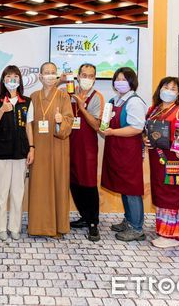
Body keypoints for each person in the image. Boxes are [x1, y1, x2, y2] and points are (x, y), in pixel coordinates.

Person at [143, 77, 179, 249]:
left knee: (175, 195)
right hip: (157, 159)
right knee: (161, 192)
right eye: (165, 87)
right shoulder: (154, 109)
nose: (168, 91)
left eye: (173, 88)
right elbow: (146, 130)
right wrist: (145, 139)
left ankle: (173, 234)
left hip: (176, 159)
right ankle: (163, 230)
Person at [0, 65, 35, 241]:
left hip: (21, 153)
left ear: (20, 80)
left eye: (15, 77)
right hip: (1, 153)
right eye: (8, 77)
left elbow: (29, 126)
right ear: (3, 80)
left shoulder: (27, 101)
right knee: (1, 193)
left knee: (17, 193)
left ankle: (14, 227)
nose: (12, 80)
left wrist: (32, 148)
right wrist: (2, 109)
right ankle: (0, 227)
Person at [100, 67, 147, 242]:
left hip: (129, 150)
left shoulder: (134, 102)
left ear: (132, 82)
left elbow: (136, 128)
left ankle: (137, 228)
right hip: (116, 149)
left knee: (131, 188)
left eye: (124, 79)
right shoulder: (115, 100)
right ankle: (128, 220)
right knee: (123, 187)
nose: (120, 82)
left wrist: (112, 132)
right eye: (117, 79)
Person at [28, 62, 73, 237]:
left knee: (58, 184)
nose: (49, 75)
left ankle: (57, 227)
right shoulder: (33, 96)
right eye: (46, 72)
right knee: (39, 187)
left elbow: (69, 123)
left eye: (53, 72)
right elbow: (28, 125)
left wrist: (61, 121)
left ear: (57, 76)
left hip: (57, 149)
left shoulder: (63, 97)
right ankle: (38, 226)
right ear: (40, 76)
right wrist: (30, 147)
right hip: (38, 148)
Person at [68, 63, 104, 242]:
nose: (87, 78)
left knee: (88, 183)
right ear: (78, 76)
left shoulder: (97, 97)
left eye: (90, 76)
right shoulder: (69, 93)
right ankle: (84, 216)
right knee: (74, 182)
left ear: (95, 79)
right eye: (84, 74)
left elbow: (97, 125)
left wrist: (82, 107)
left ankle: (93, 223)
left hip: (87, 147)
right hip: (69, 145)